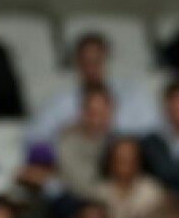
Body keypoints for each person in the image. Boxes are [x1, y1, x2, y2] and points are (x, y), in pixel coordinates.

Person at [27, 33, 158, 145]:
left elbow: (153, 134)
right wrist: (67, 133)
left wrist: (113, 134)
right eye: (86, 62)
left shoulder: (133, 95)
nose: (91, 68)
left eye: (96, 61)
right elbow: (35, 138)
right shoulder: (59, 102)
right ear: (77, 63)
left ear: (105, 60)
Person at [94, 136, 169, 218]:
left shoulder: (153, 191)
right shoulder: (98, 193)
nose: (125, 162)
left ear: (139, 161)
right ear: (110, 161)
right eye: (119, 158)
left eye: (130, 158)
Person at [56, 85, 114, 199]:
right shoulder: (68, 143)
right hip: (80, 202)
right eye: (91, 114)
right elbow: (83, 188)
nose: (96, 121)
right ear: (82, 113)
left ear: (111, 113)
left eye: (101, 114)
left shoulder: (116, 141)